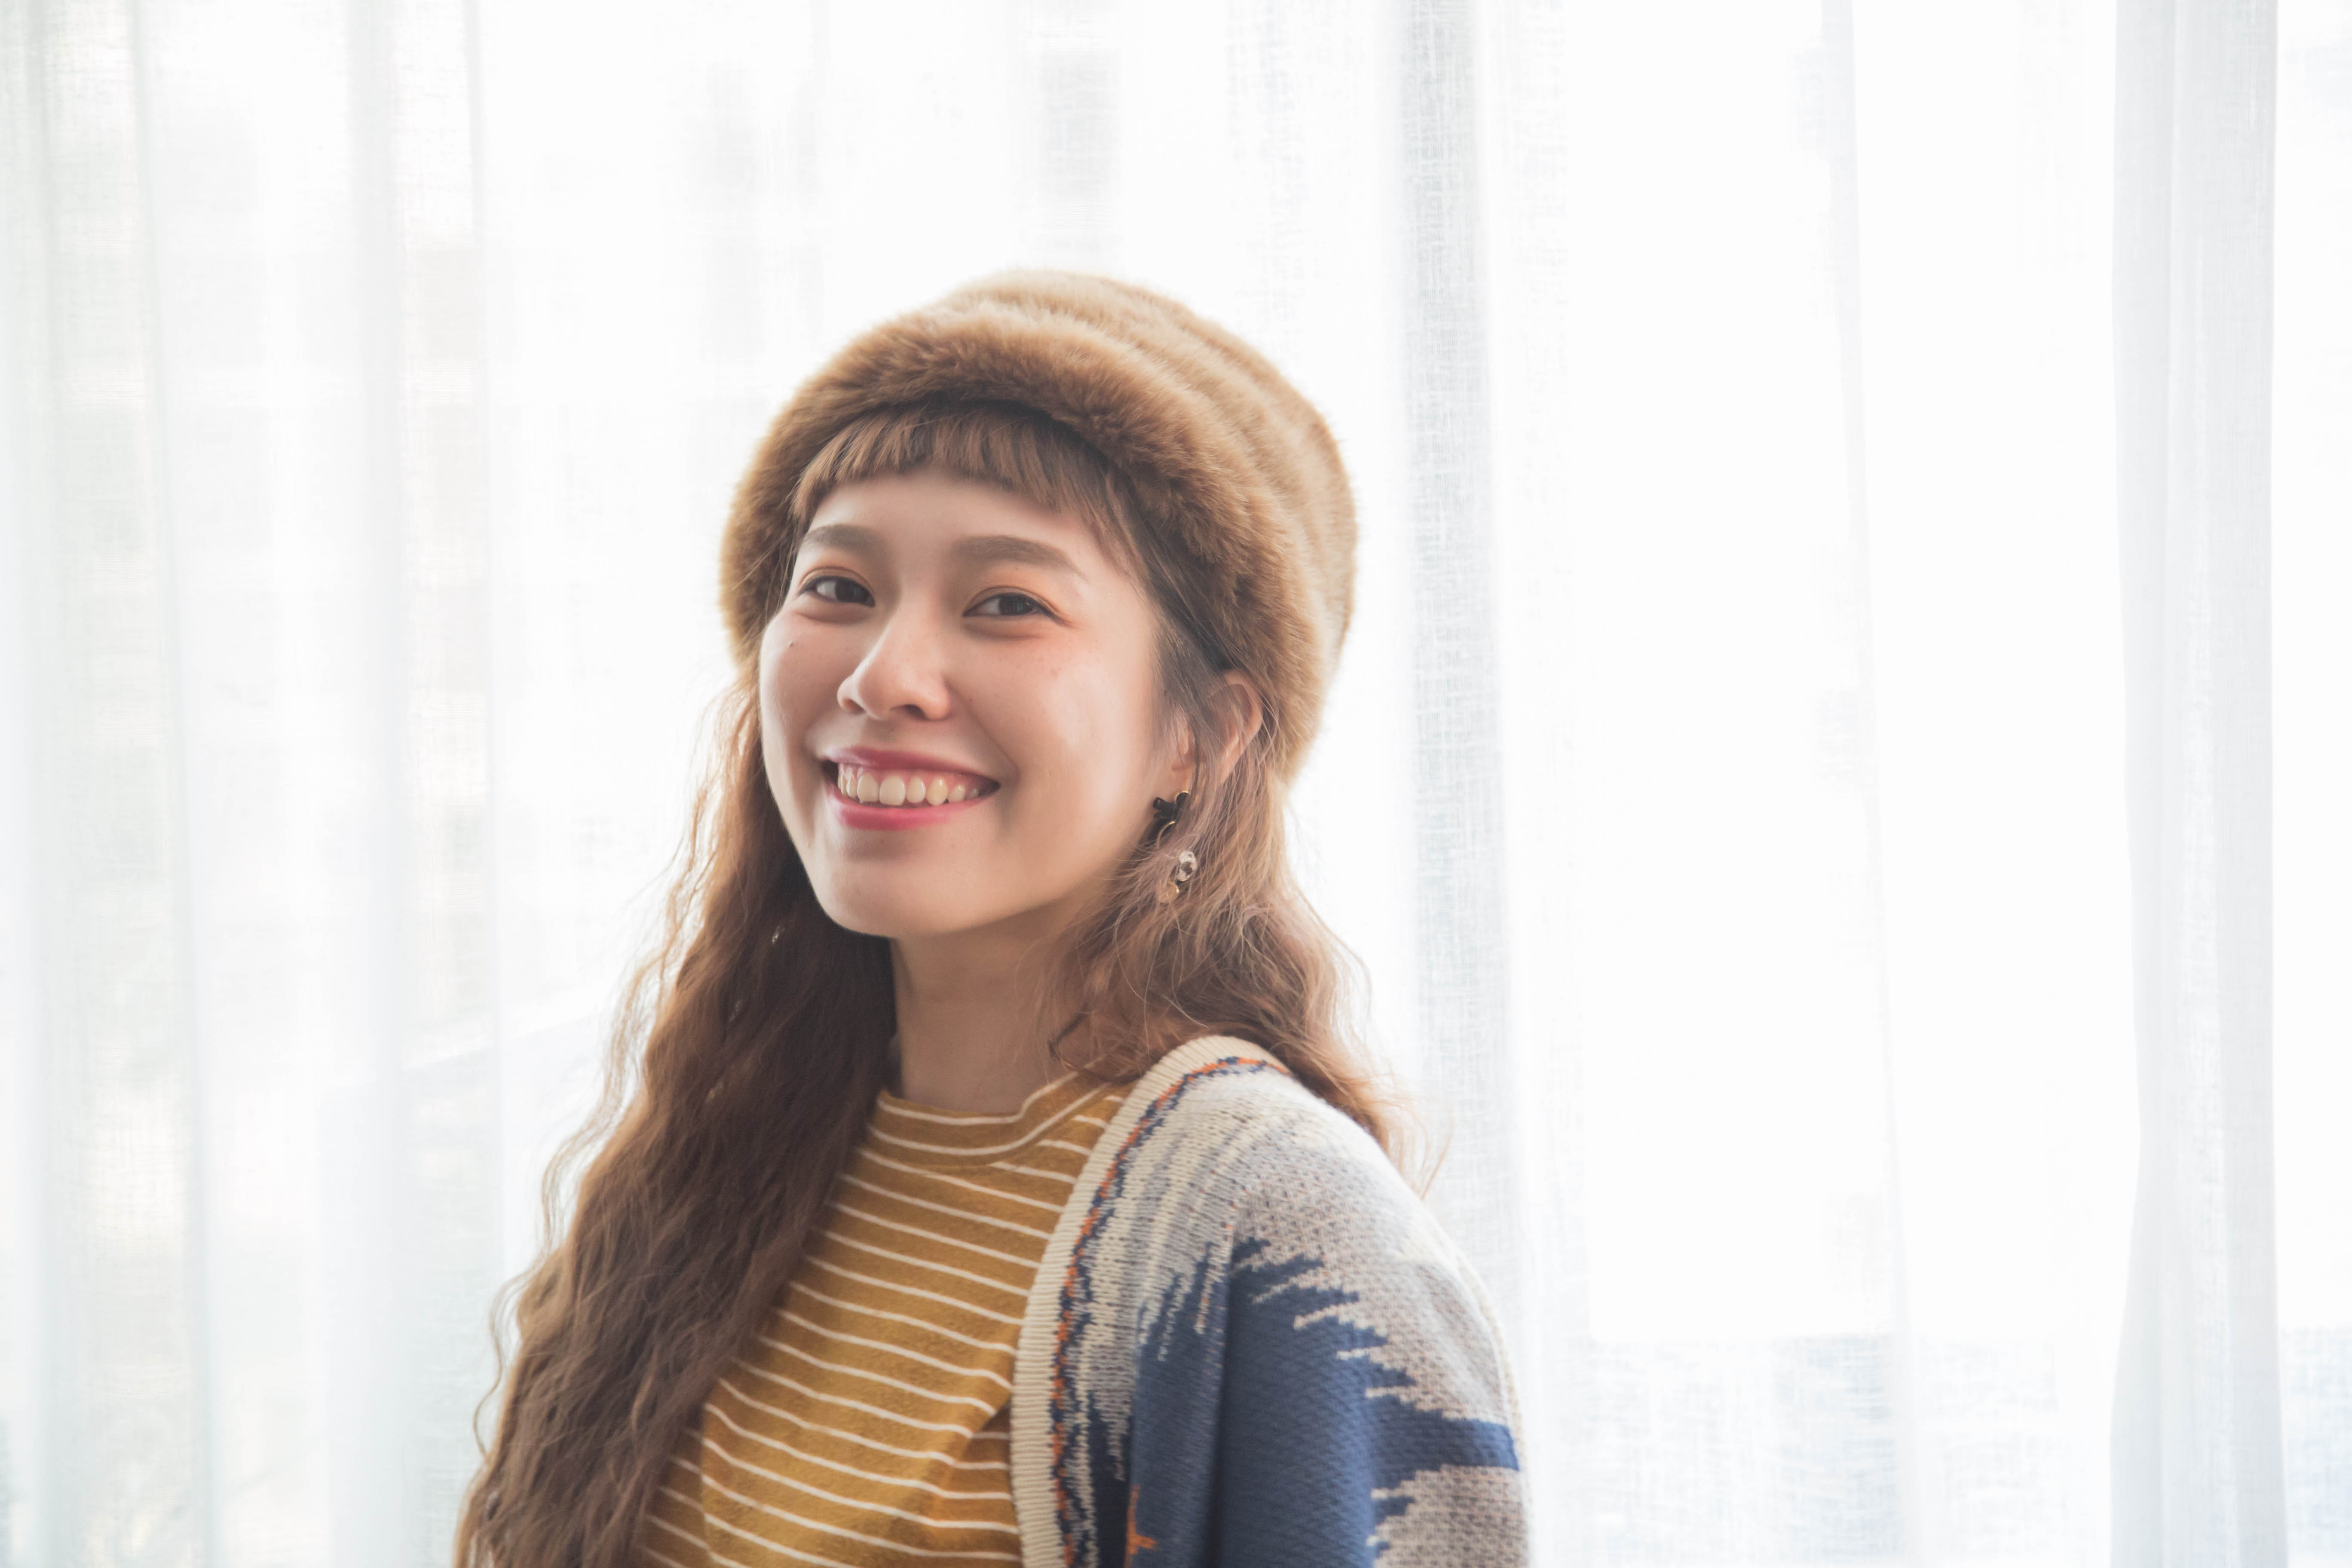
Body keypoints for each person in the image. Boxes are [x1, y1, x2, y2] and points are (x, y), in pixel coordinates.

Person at [453, 272, 1526, 1568]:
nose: (882, 675)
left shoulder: (1281, 1234)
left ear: (1199, 735)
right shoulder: (728, 1147)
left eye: (1007, 603)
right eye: (837, 586)